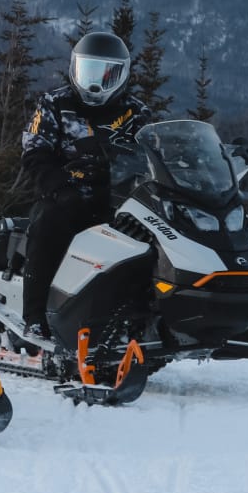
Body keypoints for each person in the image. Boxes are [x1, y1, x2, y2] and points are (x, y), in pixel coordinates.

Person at [19, 31, 153, 337]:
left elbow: (153, 152)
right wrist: (59, 187)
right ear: (74, 68)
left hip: (121, 198)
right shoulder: (56, 103)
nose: (95, 84)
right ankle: (35, 317)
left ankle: (146, 316)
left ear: (122, 75)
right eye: (88, 72)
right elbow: (35, 151)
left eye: (106, 75)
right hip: (68, 195)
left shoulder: (135, 112)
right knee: (48, 224)